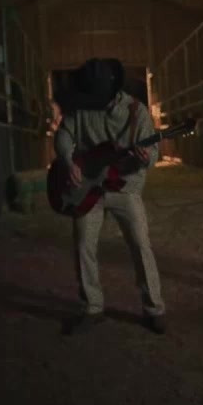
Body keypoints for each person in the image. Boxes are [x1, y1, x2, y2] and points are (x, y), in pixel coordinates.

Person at [54, 57, 167, 336]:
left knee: (141, 245)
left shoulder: (136, 112)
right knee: (84, 246)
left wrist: (145, 158)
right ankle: (92, 307)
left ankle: (154, 308)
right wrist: (69, 162)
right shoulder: (81, 107)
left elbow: (153, 154)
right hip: (87, 189)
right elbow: (64, 135)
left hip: (124, 187)